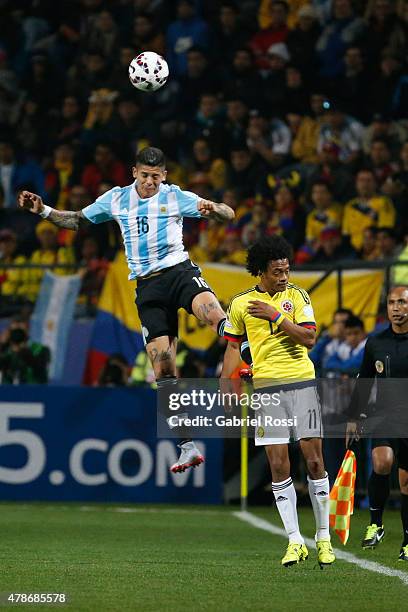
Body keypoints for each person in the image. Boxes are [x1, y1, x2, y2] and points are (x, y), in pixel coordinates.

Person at [18, 146, 234, 473]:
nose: (150, 183)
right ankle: (187, 446)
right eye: (145, 176)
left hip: (180, 274)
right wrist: (43, 210)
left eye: (156, 178)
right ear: (134, 172)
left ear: (165, 177)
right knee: (162, 370)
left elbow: (228, 214)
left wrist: (213, 208)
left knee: (213, 315)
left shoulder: (175, 196)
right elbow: (76, 220)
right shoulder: (116, 199)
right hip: (147, 288)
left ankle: (247, 353)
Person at [221, 235, 335, 567]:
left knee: (314, 462)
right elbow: (232, 347)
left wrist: (276, 316)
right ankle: (295, 541)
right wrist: (227, 388)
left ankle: (324, 537)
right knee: (279, 465)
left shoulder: (298, 297)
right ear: (260, 271)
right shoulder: (241, 304)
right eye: (276, 271)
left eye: (286, 270)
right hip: (267, 389)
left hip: (301, 384)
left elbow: (309, 338)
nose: (283, 277)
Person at [346, 286, 408, 561]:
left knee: (406, 484)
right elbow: (365, 381)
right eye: (393, 303)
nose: (397, 308)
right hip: (384, 414)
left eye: (403, 302)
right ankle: (376, 524)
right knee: (381, 463)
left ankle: (407, 541)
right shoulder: (376, 341)